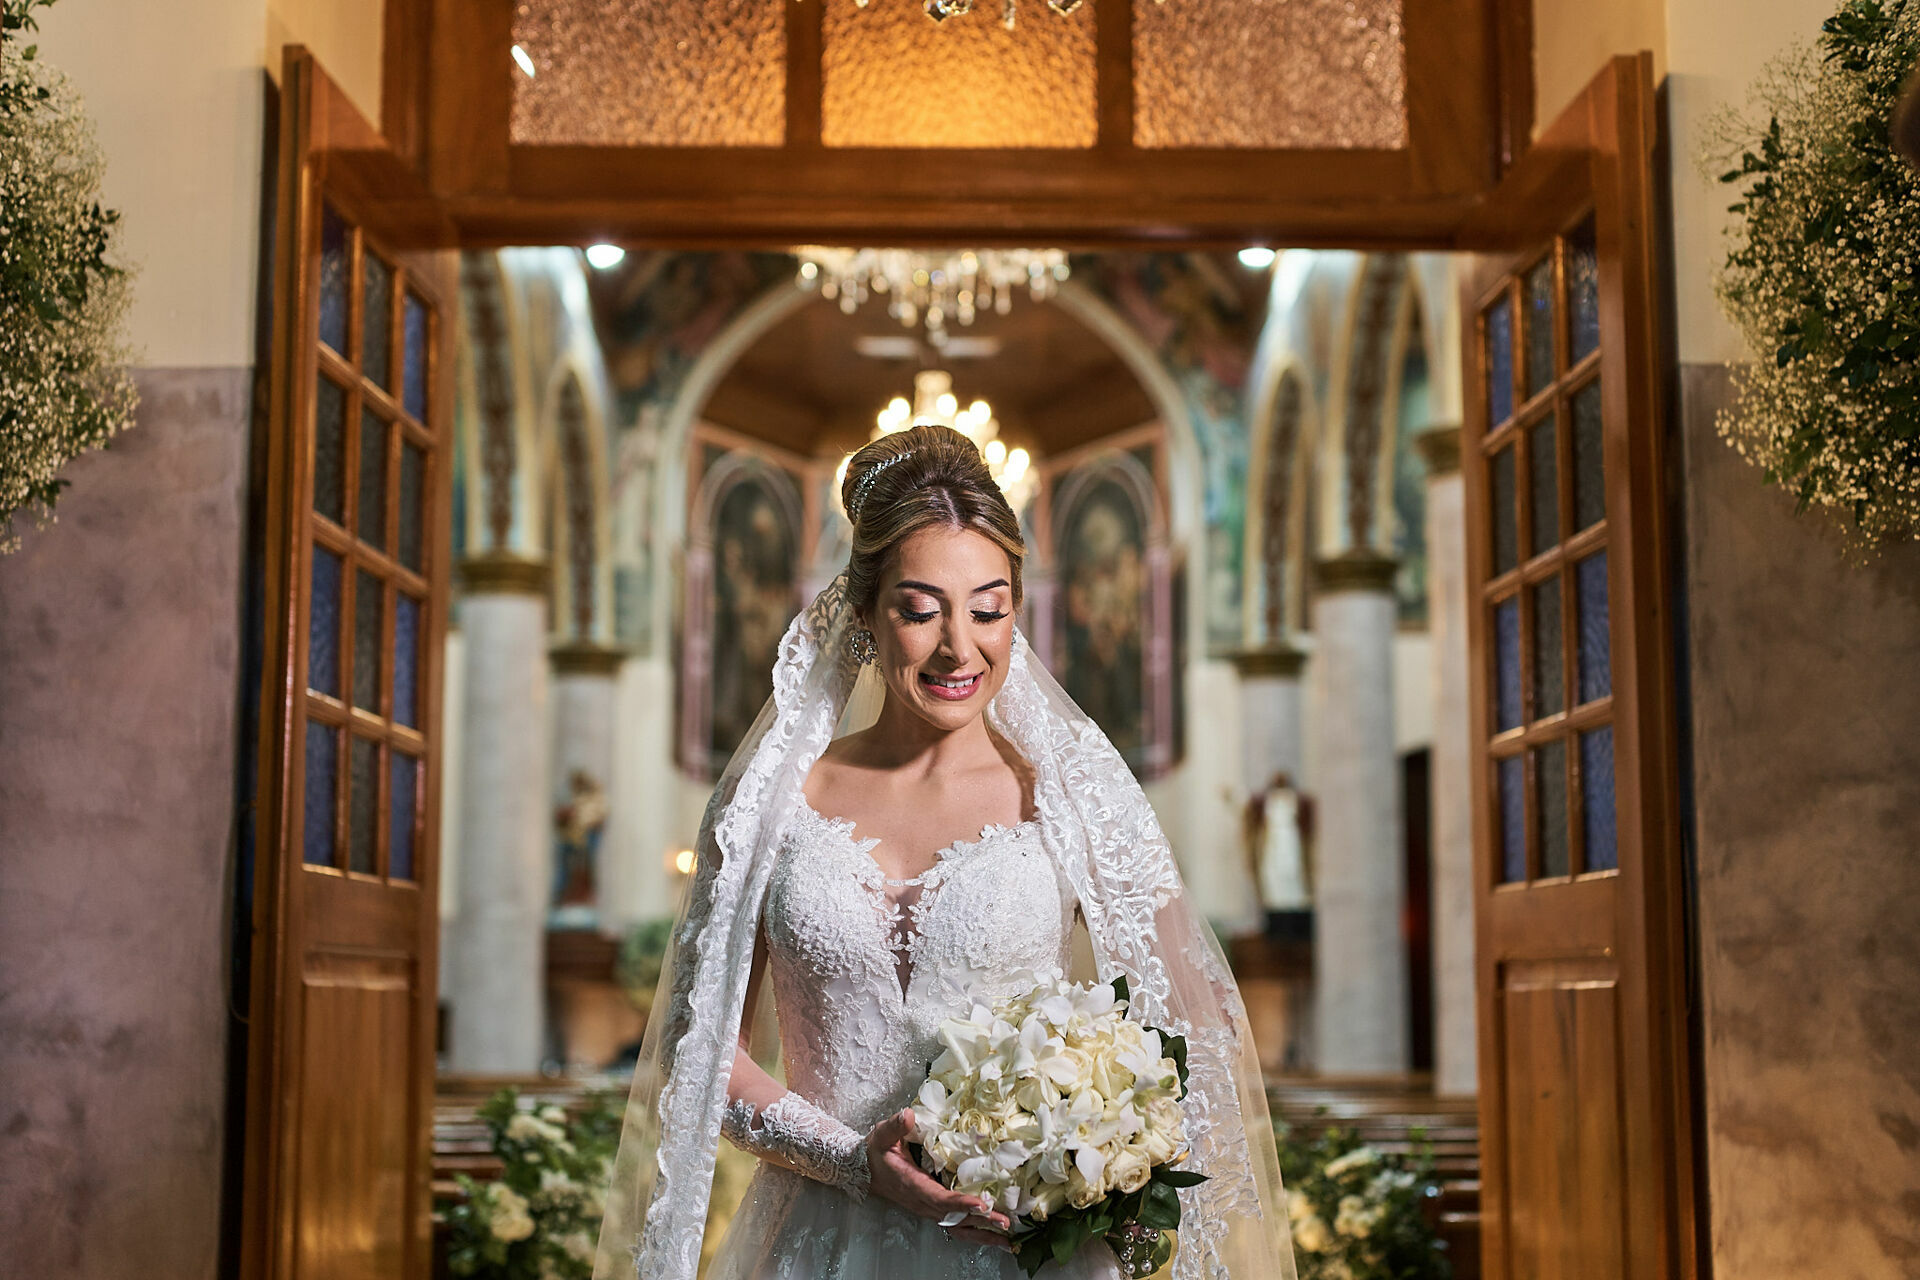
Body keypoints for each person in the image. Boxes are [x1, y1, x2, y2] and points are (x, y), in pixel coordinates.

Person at [595, 425, 1296, 1280]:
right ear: (864, 615)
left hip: (1021, 1252)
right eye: (921, 610)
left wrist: (1105, 1143)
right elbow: (698, 1055)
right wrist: (852, 1161)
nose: (960, 646)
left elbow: (1196, 1029)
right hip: (814, 1244)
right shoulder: (765, 804)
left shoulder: (1072, 795)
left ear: (1017, 613)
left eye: (988, 610)